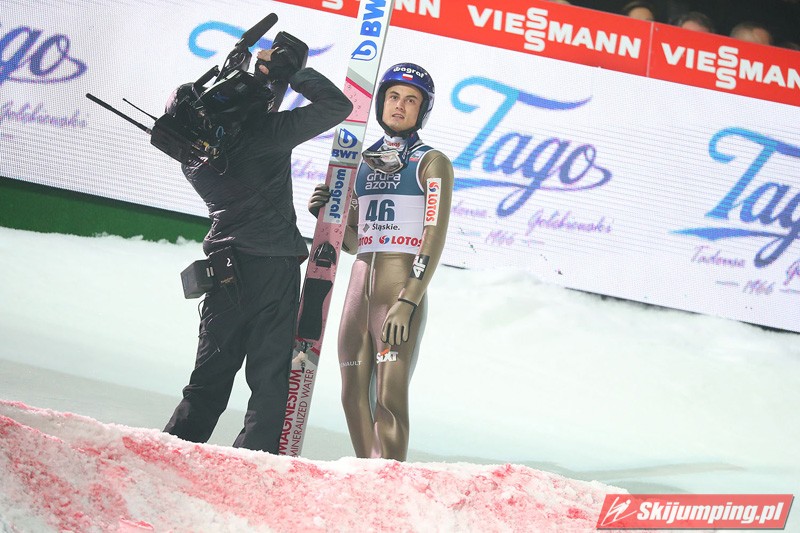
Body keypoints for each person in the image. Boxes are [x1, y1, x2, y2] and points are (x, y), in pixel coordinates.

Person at [163, 43, 353, 453]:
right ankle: (253, 462)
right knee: (268, 383)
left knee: (207, 380)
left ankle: (172, 452)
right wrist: (291, 74)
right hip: (272, 271)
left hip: (224, 272)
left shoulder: (193, 159)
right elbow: (337, 106)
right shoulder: (266, 134)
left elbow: (240, 118)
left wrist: (261, 81)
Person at [308, 63, 453, 461]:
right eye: (393, 97)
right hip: (360, 285)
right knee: (351, 393)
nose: (400, 106)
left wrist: (408, 300)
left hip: (400, 287)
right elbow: (355, 241)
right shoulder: (361, 163)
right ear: (381, 103)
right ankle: (367, 477)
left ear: (422, 110)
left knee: (389, 398)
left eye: (411, 100)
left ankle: (388, 482)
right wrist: (327, 218)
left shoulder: (431, 162)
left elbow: (434, 236)